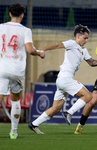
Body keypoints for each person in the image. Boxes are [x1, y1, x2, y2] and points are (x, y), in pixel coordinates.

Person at [28, 24, 97, 134]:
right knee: (88, 96)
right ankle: (69, 113)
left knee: (56, 108)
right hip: (65, 78)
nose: (86, 41)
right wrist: (42, 50)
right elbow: (57, 45)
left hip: (63, 80)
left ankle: (34, 124)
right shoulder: (71, 43)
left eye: (87, 38)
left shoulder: (83, 50)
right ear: (78, 36)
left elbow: (92, 63)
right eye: (85, 38)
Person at [0, 3, 45, 139]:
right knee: (15, 100)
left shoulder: (1, 27)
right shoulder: (25, 30)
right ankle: (13, 131)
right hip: (17, 70)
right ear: (22, 15)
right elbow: (30, 50)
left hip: (2, 68)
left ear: (9, 14)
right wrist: (39, 53)